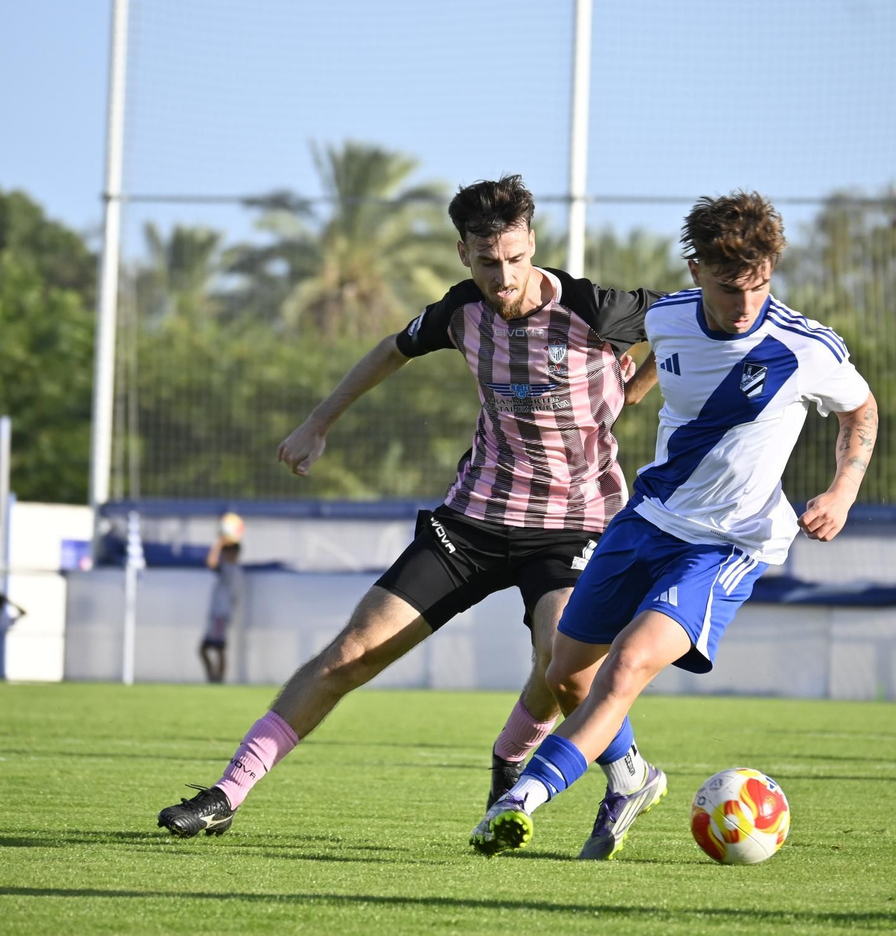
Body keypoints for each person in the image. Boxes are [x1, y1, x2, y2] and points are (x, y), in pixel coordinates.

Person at [157, 174, 662, 845]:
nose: (503, 276)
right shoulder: (461, 312)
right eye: (487, 262)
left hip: (576, 524)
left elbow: (692, 321)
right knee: (350, 655)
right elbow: (391, 350)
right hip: (473, 519)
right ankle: (226, 792)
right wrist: (318, 421)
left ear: (532, 244)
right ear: (463, 254)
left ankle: (593, 768)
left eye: (514, 259)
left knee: (563, 667)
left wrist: (636, 388)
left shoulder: (596, 308)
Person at [470, 191, 879, 858]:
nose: (745, 302)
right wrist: (626, 397)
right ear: (696, 273)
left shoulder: (804, 348)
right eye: (727, 286)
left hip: (727, 543)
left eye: (758, 283)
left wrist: (843, 490)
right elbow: (667, 354)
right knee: (565, 675)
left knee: (626, 666)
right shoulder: (667, 319)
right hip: (647, 521)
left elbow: (862, 412)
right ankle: (632, 779)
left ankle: (524, 799)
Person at [200, 512, 246, 684]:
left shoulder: (230, 569)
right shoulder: (235, 571)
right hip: (220, 613)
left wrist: (219, 542)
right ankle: (214, 679)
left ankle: (217, 680)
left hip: (220, 614)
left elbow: (211, 562)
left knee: (217, 648)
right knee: (209, 648)